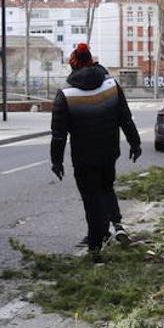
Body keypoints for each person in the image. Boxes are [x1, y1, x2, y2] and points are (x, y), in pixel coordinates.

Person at [50, 44, 142, 260]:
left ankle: (95, 247)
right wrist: (135, 143)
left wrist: (57, 162)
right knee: (106, 188)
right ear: (92, 60)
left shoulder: (66, 94)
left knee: (91, 199)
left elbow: (58, 134)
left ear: (72, 65)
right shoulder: (110, 85)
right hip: (109, 152)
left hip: (83, 157)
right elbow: (125, 118)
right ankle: (115, 225)